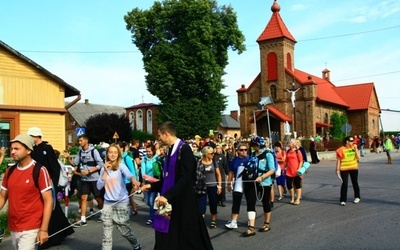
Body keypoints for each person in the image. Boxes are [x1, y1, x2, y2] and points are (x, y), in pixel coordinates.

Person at [141, 121, 213, 250]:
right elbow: (168, 178)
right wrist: (151, 186)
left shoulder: (184, 149)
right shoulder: (169, 151)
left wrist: (166, 196)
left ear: (166, 134)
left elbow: (186, 178)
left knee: (188, 238)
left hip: (184, 202)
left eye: (159, 135)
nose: (158, 138)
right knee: (165, 235)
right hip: (170, 201)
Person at [0, 134, 52, 249]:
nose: (13, 152)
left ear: (28, 150)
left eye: (17, 149)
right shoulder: (10, 171)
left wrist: (44, 229)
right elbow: (2, 197)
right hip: (13, 226)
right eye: (12, 149)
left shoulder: (39, 170)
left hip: (31, 227)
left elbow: (48, 201)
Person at [27, 127, 74, 248]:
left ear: (36, 136)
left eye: (31, 136)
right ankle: (62, 231)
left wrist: (53, 184)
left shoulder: (47, 148)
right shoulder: (31, 150)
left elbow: (54, 167)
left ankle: (54, 235)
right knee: (49, 208)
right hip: (36, 183)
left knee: (50, 208)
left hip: (48, 183)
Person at [96, 144, 142, 250]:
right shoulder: (104, 168)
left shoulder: (120, 166)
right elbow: (98, 187)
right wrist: (105, 172)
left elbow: (129, 174)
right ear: (107, 154)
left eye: (115, 153)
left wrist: (134, 180)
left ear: (118, 155)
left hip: (121, 203)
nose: (112, 155)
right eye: (110, 152)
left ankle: (136, 245)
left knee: (125, 231)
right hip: (108, 203)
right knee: (106, 234)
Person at [72, 134, 104, 227]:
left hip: (94, 178)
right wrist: (67, 158)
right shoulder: (80, 152)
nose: (79, 142)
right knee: (83, 197)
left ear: (86, 141)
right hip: (84, 179)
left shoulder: (94, 151)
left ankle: (104, 213)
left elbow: (100, 164)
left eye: (81, 140)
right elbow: (75, 163)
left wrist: (89, 171)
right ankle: (83, 219)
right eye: (79, 141)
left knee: (98, 197)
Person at [195, 146, 222, 229]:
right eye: (211, 153)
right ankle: (201, 221)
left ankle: (213, 221)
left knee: (213, 203)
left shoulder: (213, 162)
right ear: (206, 154)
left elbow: (218, 174)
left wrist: (219, 186)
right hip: (201, 186)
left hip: (212, 186)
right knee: (201, 204)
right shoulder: (199, 162)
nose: (213, 155)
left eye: (213, 153)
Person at [225, 143, 249, 230]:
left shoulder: (250, 159)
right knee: (236, 202)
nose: (244, 152)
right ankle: (234, 221)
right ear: (238, 151)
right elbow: (231, 172)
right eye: (241, 150)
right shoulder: (234, 160)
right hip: (238, 184)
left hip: (248, 184)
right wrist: (229, 183)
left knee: (250, 202)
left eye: (245, 150)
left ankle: (251, 220)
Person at [336, 136, 361, 206]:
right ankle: (343, 199)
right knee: (344, 183)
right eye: (351, 140)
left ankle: (357, 197)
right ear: (347, 141)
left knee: (355, 182)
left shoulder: (354, 148)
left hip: (353, 167)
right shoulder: (340, 150)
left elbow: (359, 158)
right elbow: (338, 160)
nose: (352, 142)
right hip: (344, 168)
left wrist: (356, 148)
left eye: (353, 140)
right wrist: (337, 169)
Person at [119, 141, 139, 216]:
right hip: (121, 182)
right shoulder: (118, 158)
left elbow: (132, 171)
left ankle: (126, 212)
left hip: (128, 181)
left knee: (125, 198)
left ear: (122, 148)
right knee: (129, 197)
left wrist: (134, 181)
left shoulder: (126, 158)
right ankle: (134, 209)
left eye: (118, 148)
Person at [141, 144, 158, 225]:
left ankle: (151, 217)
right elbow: (143, 171)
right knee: (147, 201)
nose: (148, 153)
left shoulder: (157, 158)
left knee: (151, 201)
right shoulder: (144, 159)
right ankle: (155, 212)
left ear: (153, 151)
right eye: (147, 151)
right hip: (147, 182)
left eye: (149, 151)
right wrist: (143, 179)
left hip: (155, 182)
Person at [284, 139, 303, 205]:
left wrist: (299, 169)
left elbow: (301, 161)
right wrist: (283, 168)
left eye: (290, 143)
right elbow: (286, 160)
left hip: (296, 171)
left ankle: (297, 199)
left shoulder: (298, 152)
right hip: (289, 171)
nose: (289, 144)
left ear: (293, 144)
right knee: (289, 185)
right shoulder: (288, 151)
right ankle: (292, 197)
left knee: (297, 185)